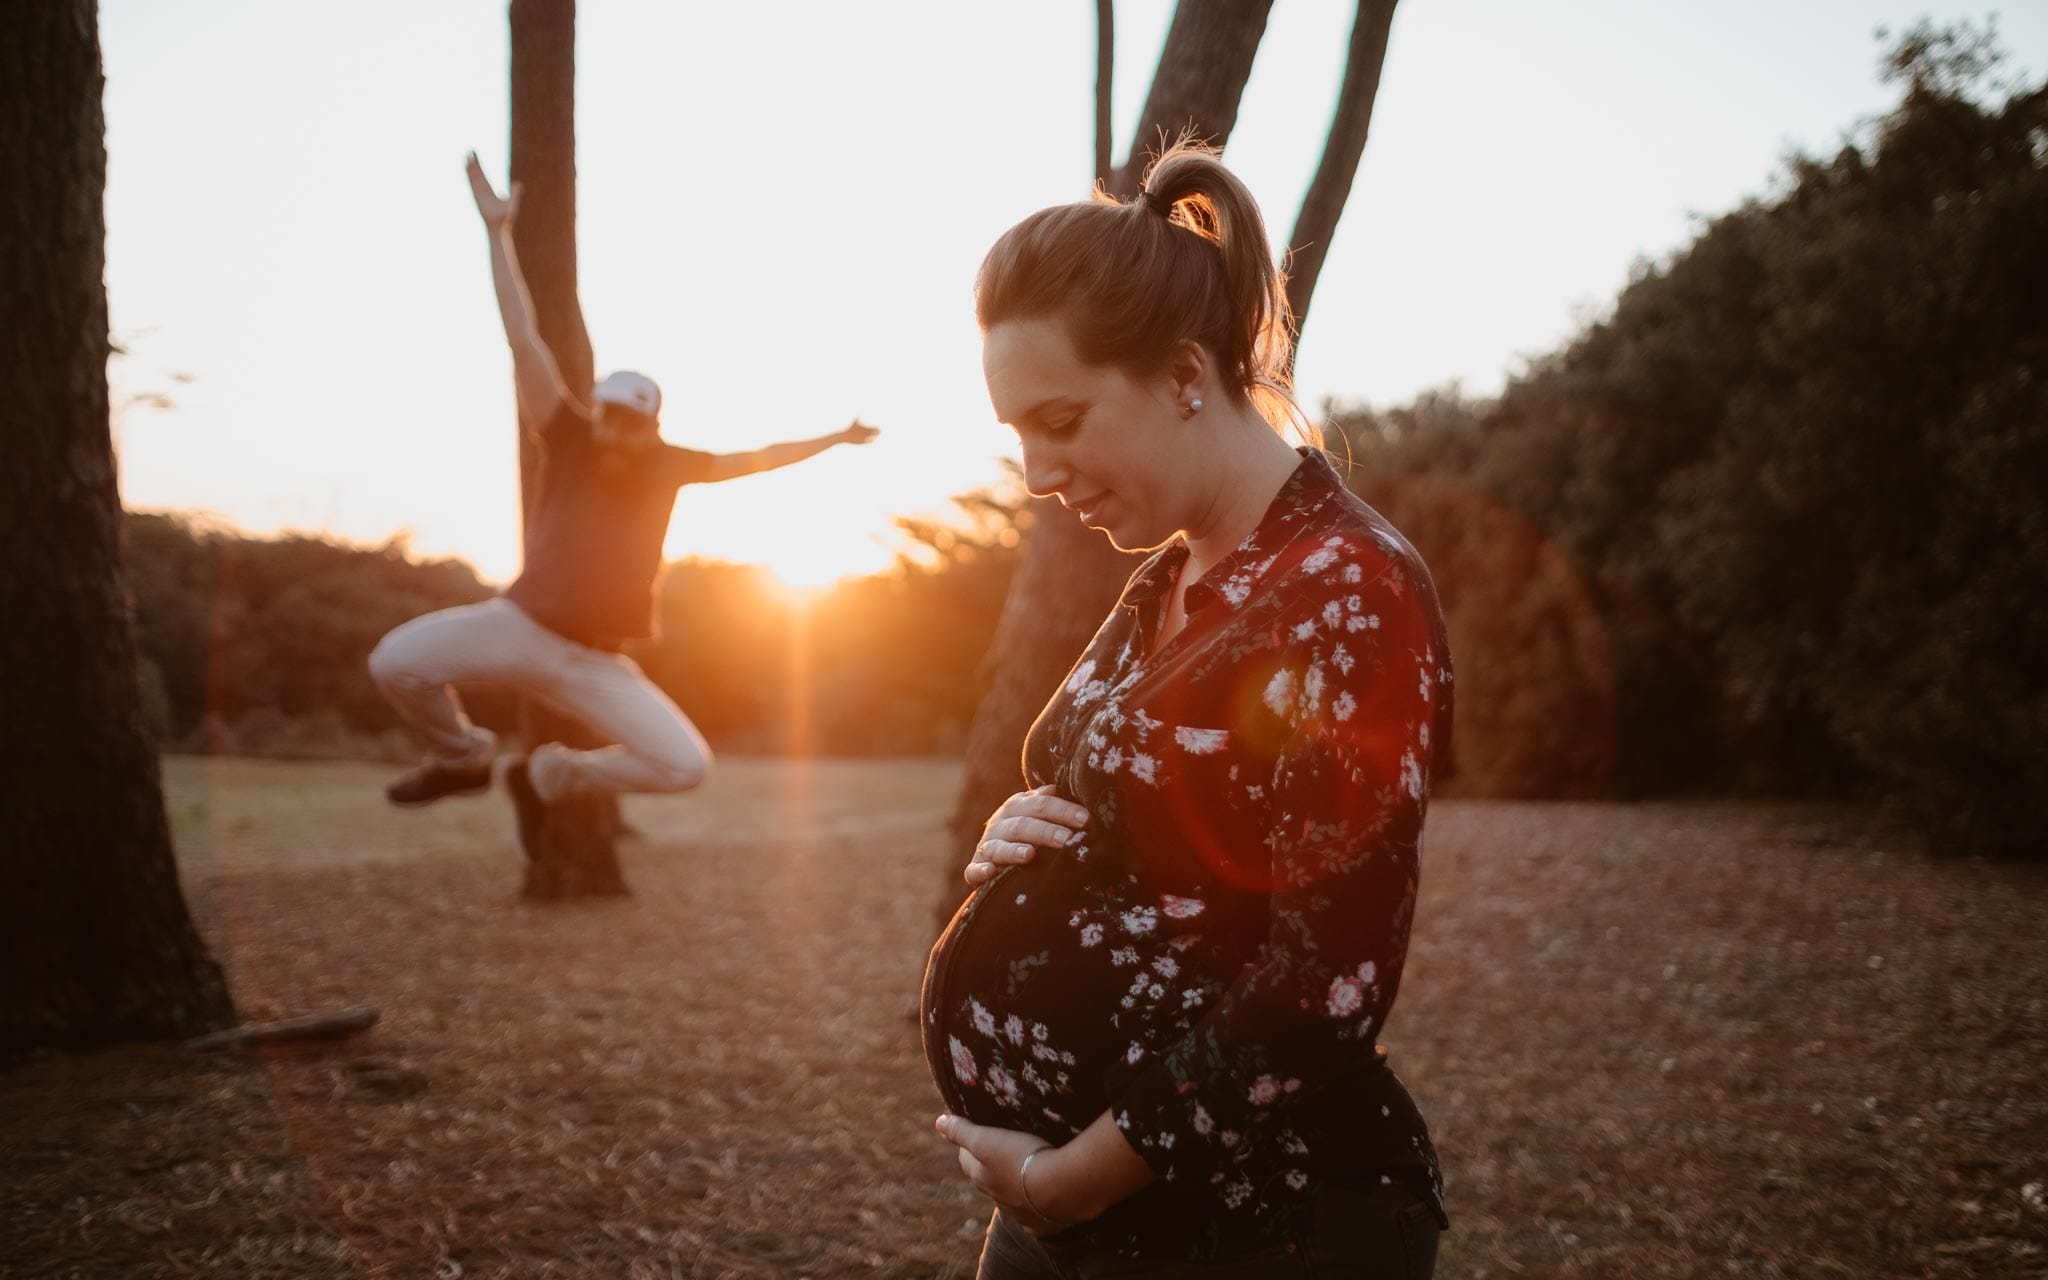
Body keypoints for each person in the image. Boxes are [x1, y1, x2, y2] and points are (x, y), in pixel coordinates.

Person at [921, 138, 1454, 1277]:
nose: (1033, 473)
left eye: (1057, 421)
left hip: (1258, 1221)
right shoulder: (1171, 572)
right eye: (1014, 433)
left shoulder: (1346, 587)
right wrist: (1020, 832)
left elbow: (1329, 974)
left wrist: (1079, 1175)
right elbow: (1154, 826)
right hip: (1076, 1213)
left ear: (1178, 375)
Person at [368, 154, 878, 853]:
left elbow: (761, 458)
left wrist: (838, 437)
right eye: (606, 413)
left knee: (685, 766)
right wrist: (497, 234)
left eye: (628, 422)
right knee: (395, 662)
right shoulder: (568, 435)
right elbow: (523, 339)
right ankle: (462, 758)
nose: (612, 429)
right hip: (518, 626)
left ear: (652, 428)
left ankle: (552, 776)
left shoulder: (669, 467)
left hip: (594, 663)